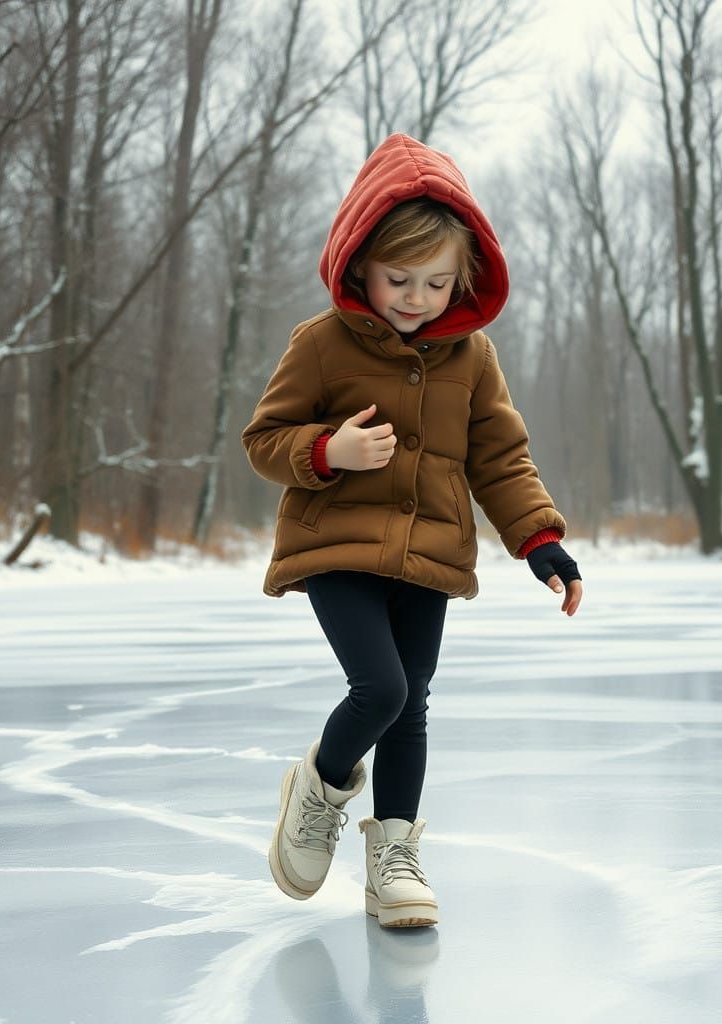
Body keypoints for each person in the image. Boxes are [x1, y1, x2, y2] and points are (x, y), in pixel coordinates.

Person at [240, 133, 583, 929]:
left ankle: (394, 857)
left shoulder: (472, 356)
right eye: (399, 279)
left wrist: (540, 542)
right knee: (383, 688)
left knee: (413, 703)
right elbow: (264, 441)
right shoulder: (320, 344)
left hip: (427, 556)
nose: (416, 297)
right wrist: (331, 451)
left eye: (436, 282)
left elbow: (501, 458)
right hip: (336, 547)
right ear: (360, 262)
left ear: (464, 277)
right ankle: (321, 789)